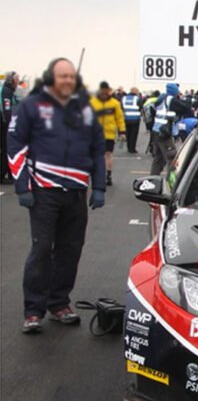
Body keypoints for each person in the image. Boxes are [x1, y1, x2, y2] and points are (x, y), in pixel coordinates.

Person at [7, 57, 106, 334]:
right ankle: (33, 311)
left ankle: (59, 303)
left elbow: (97, 149)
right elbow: (15, 145)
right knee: (41, 249)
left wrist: (98, 186)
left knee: (70, 250)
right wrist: (22, 186)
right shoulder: (31, 106)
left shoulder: (84, 109)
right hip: (43, 193)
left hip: (76, 193)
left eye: (70, 76)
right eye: (61, 76)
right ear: (50, 77)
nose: (66, 81)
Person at [150, 83, 191, 176]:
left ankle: (152, 179)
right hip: (164, 132)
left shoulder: (161, 99)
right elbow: (186, 108)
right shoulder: (170, 100)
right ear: (174, 90)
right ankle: (171, 180)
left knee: (159, 158)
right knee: (172, 157)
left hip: (156, 130)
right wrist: (186, 99)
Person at [90, 81, 125, 186]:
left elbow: (119, 118)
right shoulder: (92, 102)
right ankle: (98, 175)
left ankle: (108, 175)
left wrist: (122, 131)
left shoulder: (115, 103)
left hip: (109, 134)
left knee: (108, 155)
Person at [1, 71, 21, 183]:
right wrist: (12, 126)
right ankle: (4, 174)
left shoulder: (10, 92)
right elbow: (7, 110)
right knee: (6, 148)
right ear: (11, 81)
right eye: (16, 80)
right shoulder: (6, 91)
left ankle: (9, 173)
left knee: (7, 149)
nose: (17, 82)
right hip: (4, 125)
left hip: (5, 124)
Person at [121, 87, 143, 153]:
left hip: (126, 118)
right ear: (135, 91)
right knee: (133, 134)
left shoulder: (124, 98)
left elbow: (121, 107)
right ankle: (132, 148)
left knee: (128, 133)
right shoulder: (137, 98)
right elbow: (140, 107)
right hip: (135, 119)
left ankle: (128, 147)